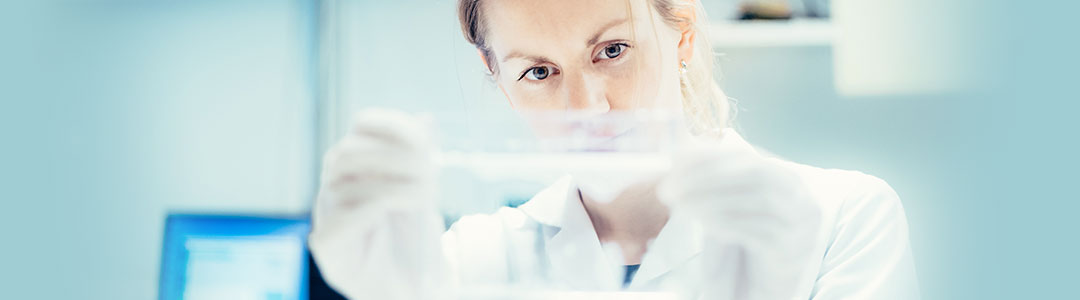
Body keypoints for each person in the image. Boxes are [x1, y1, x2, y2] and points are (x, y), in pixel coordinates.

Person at [308, 0, 919, 299]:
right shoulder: (466, 265)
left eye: (612, 50)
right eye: (539, 73)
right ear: (496, 78)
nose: (590, 108)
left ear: (680, 31)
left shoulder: (843, 220)